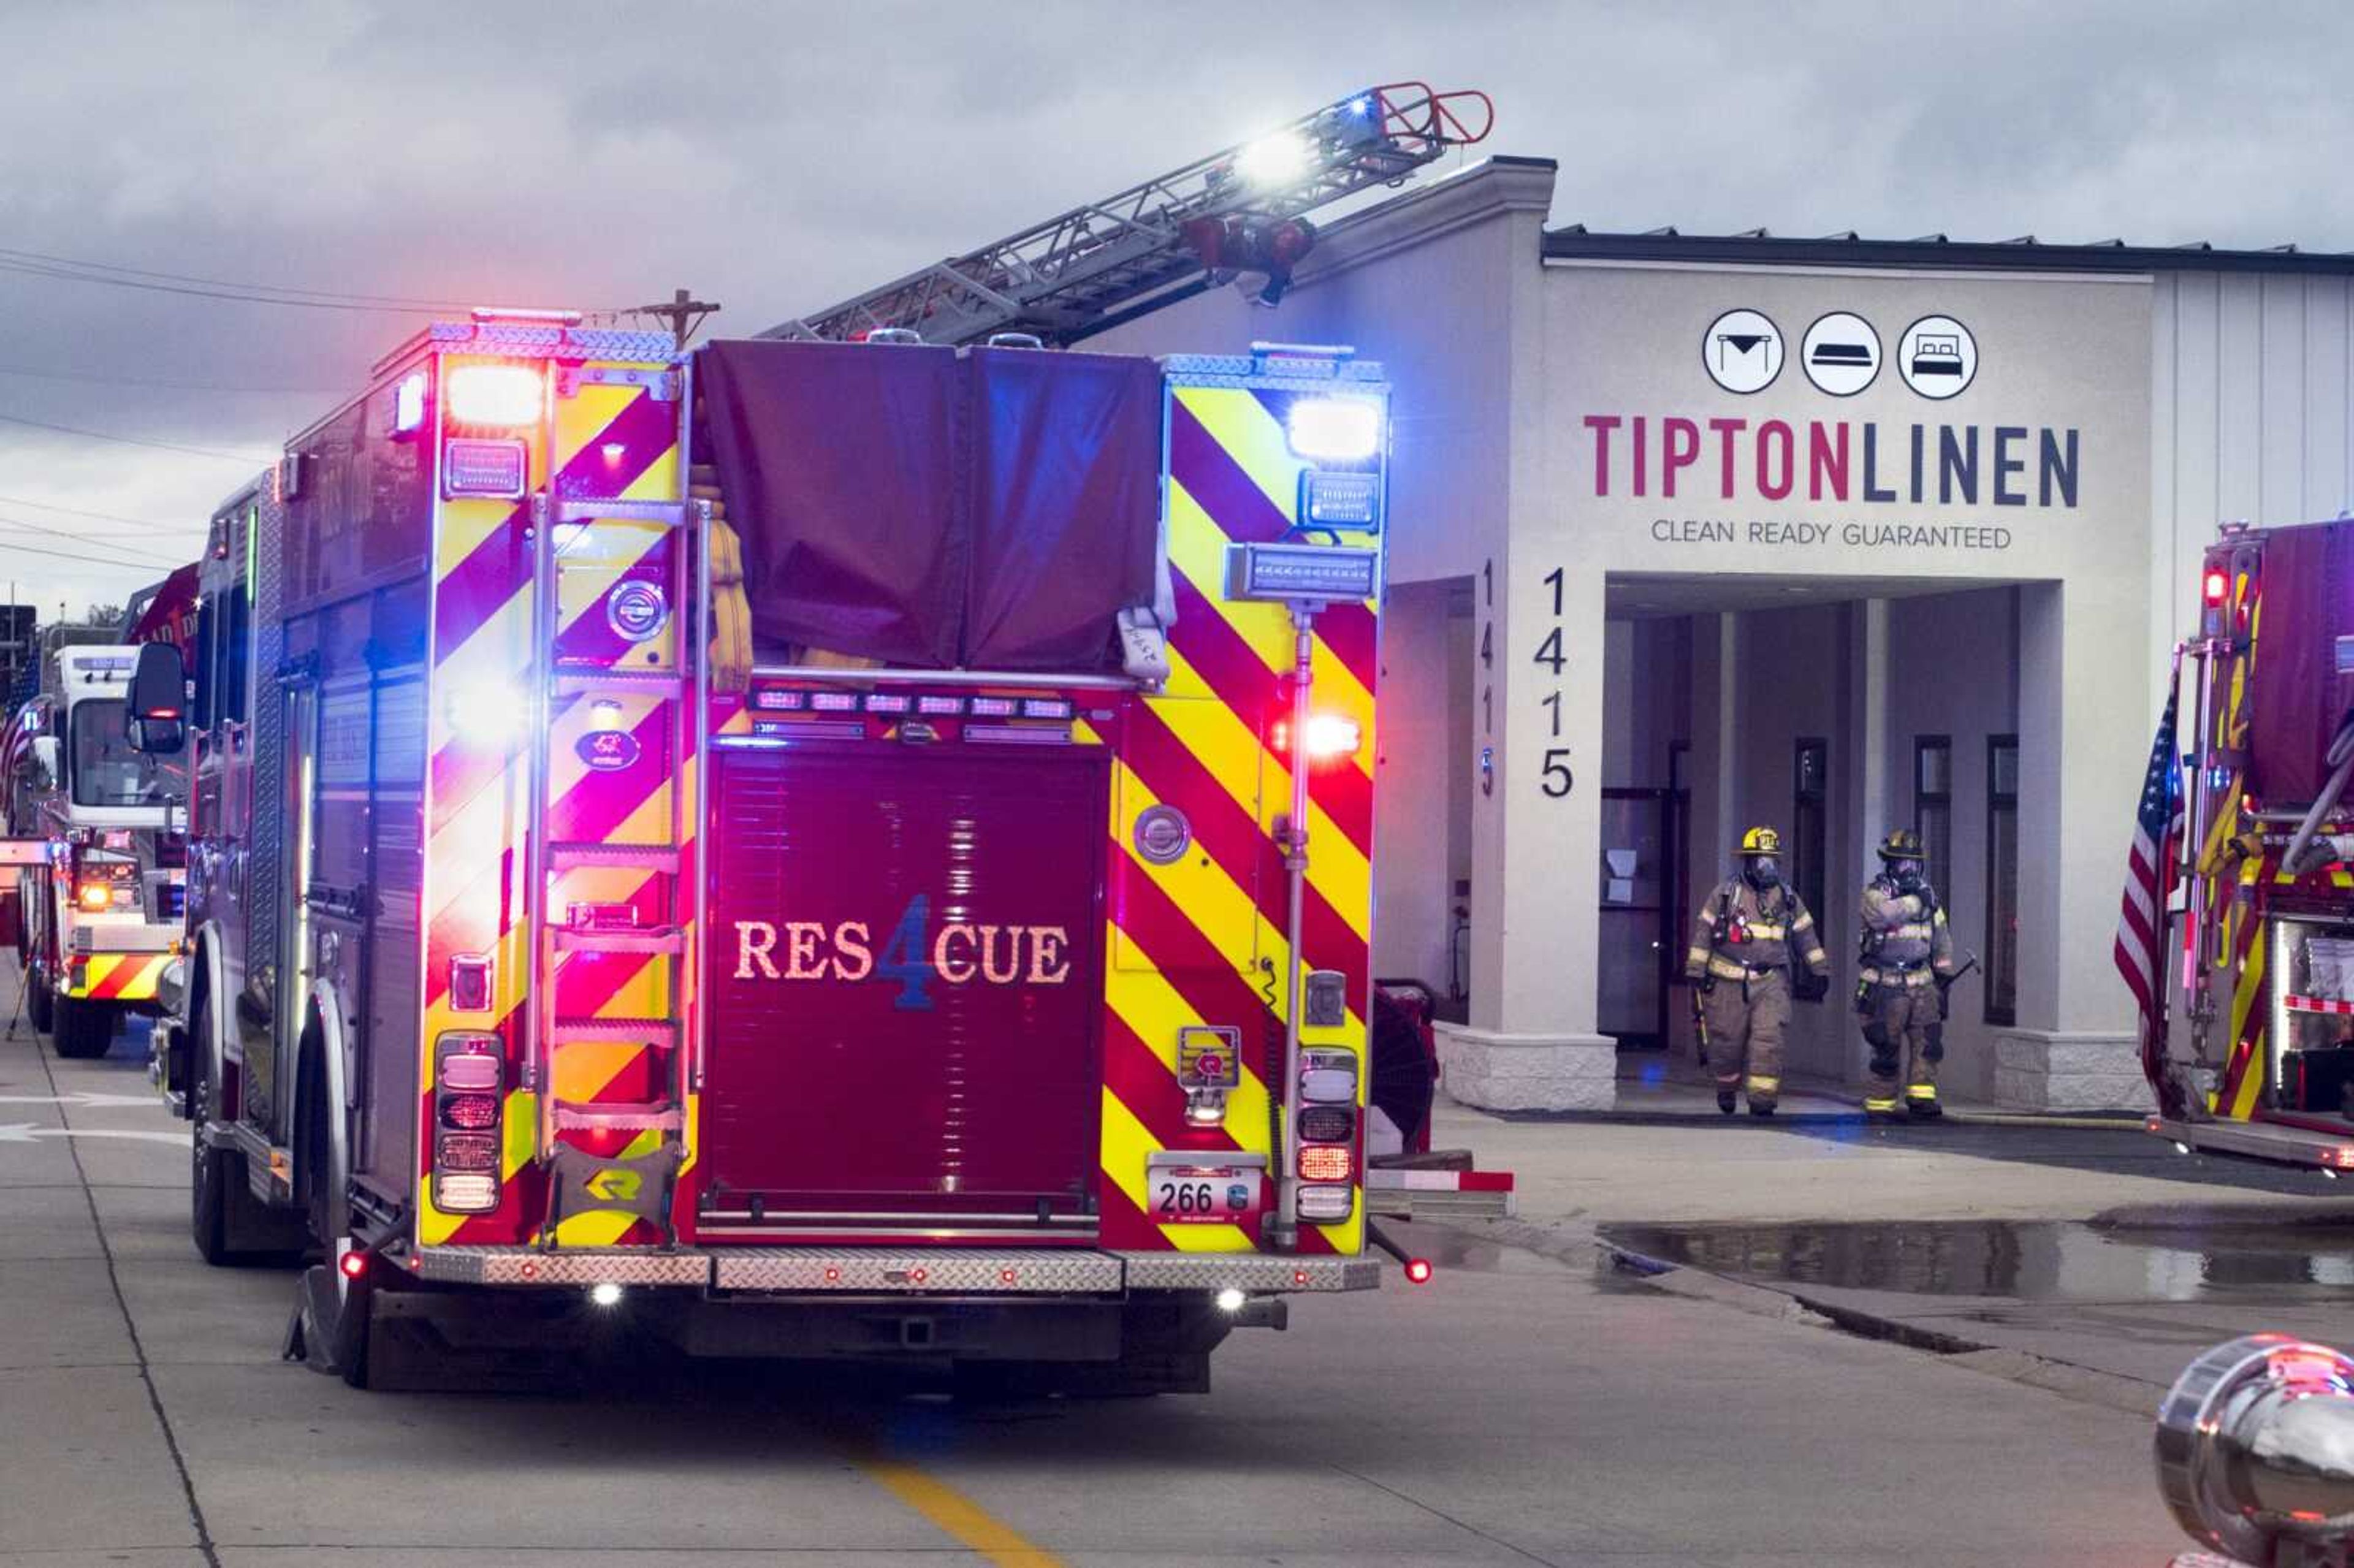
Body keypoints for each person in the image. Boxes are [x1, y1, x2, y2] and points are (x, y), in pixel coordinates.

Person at [1684, 826, 1832, 1117]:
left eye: (1772, 861)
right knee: (1727, 1043)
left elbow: (1806, 935)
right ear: (1748, 862)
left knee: (1769, 1040)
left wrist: (1819, 970)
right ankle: (1726, 1087)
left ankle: (1762, 1100)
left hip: (1771, 982)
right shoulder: (1726, 895)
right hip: (1728, 982)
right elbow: (1704, 931)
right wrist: (1695, 968)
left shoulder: (1788, 898)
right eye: (1761, 861)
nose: (1767, 867)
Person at [1856, 828, 1959, 1120]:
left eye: (1914, 864)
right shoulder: (1875, 894)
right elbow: (1885, 915)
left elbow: (1942, 937)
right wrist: (1917, 900)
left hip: (1923, 984)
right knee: (1886, 1047)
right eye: (1902, 863)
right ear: (1890, 864)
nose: (1909, 869)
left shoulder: (1928, 896)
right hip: (1886, 986)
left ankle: (1921, 1096)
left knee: (1928, 1043)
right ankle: (1881, 1102)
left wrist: (1944, 978)